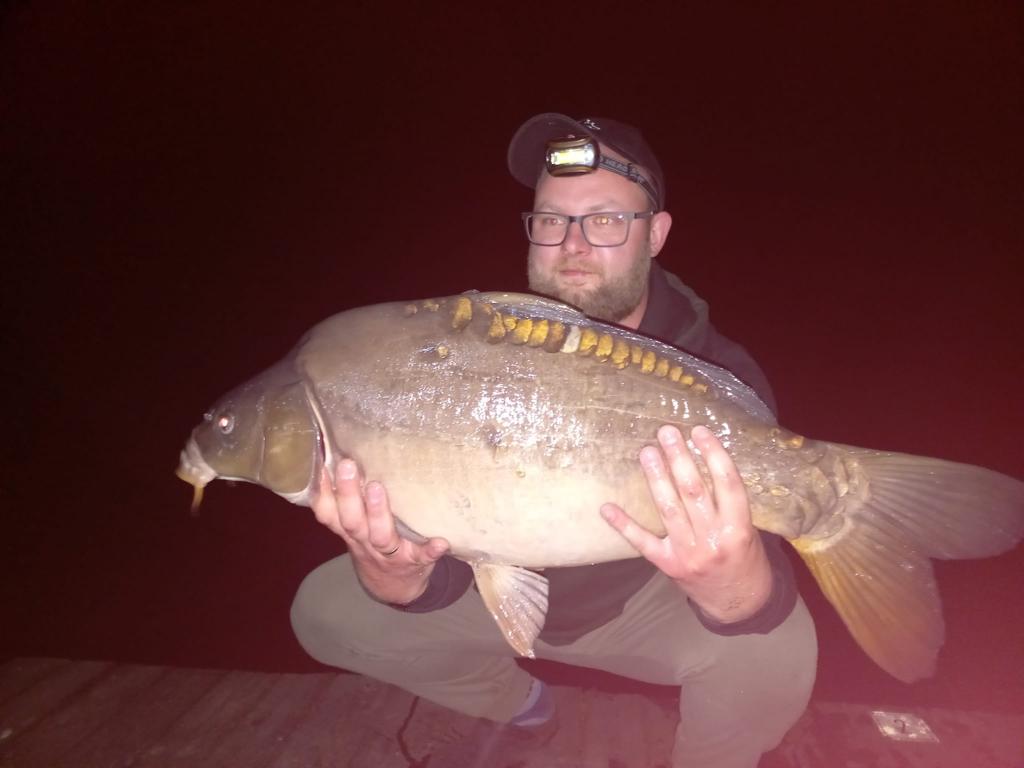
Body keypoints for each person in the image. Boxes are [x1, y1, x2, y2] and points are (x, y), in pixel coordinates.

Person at [290, 113, 817, 767]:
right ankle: (521, 705)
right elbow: (451, 538)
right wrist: (401, 576)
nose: (572, 244)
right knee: (329, 610)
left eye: (605, 219)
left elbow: (757, 582)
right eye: (551, 219)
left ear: (655, 234)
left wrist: (731, 590)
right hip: (491, 595)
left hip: (643, 605)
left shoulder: (718, 374)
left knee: (776, 653)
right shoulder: (472, 346)